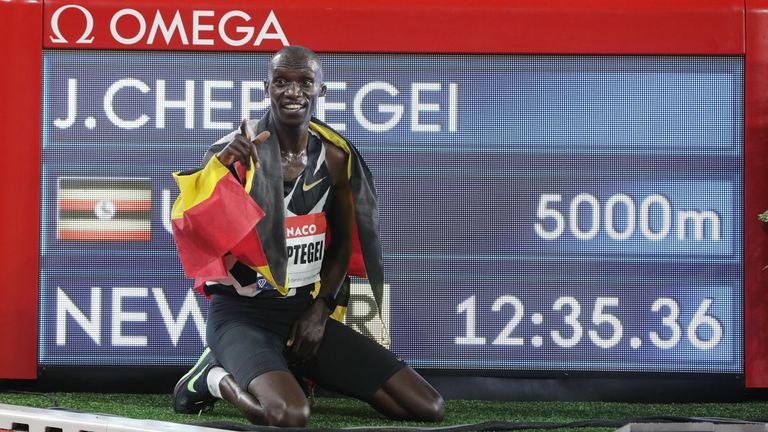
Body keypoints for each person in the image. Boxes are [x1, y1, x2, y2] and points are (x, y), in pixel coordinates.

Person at [168, 46, 444, 427]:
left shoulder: (334, 158)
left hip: (301, 313)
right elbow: (194, 228)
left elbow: (344, 244)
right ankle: (211, 377)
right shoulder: (232, 155)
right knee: (290, 415)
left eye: (304, 83)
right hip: (241, 316)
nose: (292, 92)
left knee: (426, 408)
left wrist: (321, 310)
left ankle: (291, 368)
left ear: (321, 90)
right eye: (281, 82)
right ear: (267, 88)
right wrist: (219, 169)